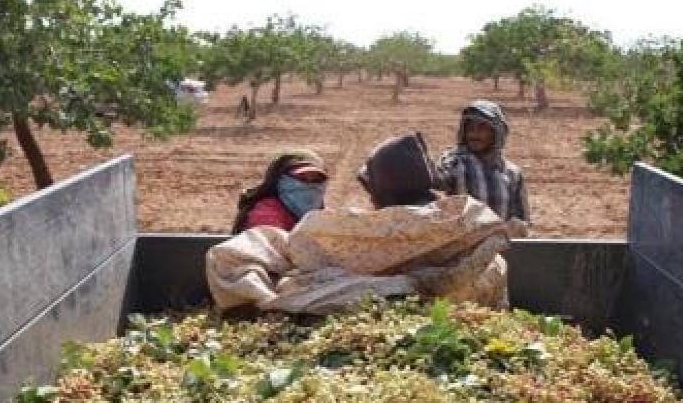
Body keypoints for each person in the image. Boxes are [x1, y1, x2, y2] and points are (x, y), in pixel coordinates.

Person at [207, 133, 524, 315]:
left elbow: (263, 254)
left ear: (385, 187)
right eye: (303, 180)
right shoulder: (473, 230)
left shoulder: (356, 229)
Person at [437, 100, 530, 223]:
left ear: (496, 133)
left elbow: (521, 221)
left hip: (498, 236)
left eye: (482, 128)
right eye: (470, 128)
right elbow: (438, 183)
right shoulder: (453, 162)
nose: (474, 134)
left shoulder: (513, 174)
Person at [230, 150, 328, 234]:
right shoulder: (265, 213)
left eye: (317, 180)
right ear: (280, 180)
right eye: (301, 179)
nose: (309, 186)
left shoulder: (322, 216)